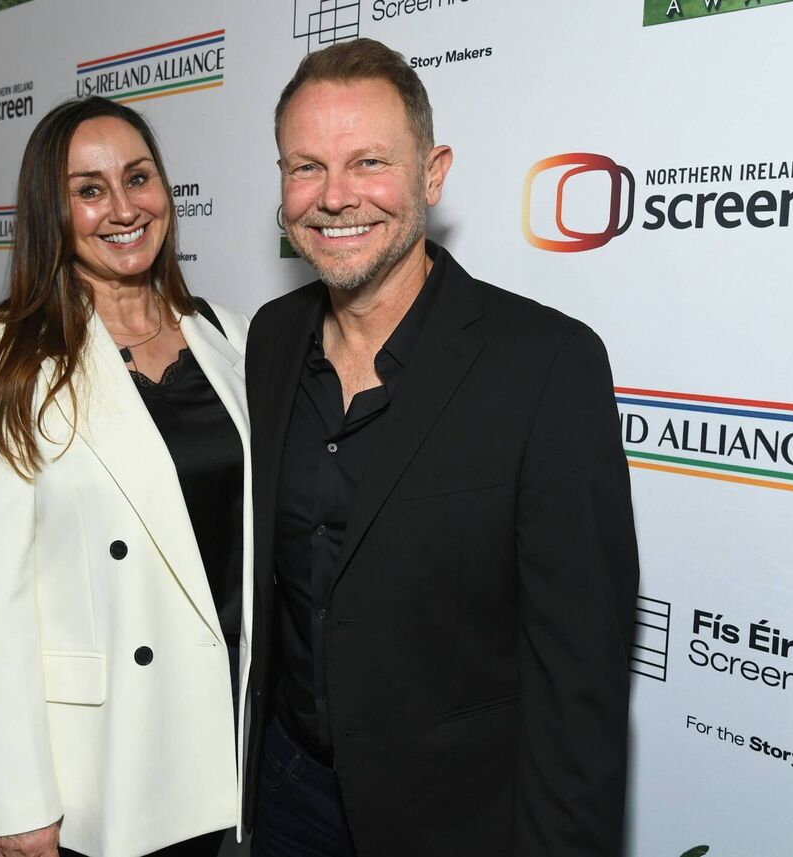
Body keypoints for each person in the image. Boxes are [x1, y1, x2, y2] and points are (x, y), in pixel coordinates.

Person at [243, 39, 640, 857]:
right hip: (286, 791)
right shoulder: (271, 339)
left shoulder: (546, 364)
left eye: (369, 162)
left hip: (454, 821)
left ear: (432, 173)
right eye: (305, 167)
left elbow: (581, 682)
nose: (335, 196)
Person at [0, 96, 252, 857]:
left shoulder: (228, 334)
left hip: (218, 732)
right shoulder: (3, 355)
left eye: (138, 178)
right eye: (89, 189)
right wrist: (20, 802)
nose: (122, 207)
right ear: (54, 210)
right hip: (102, 756)